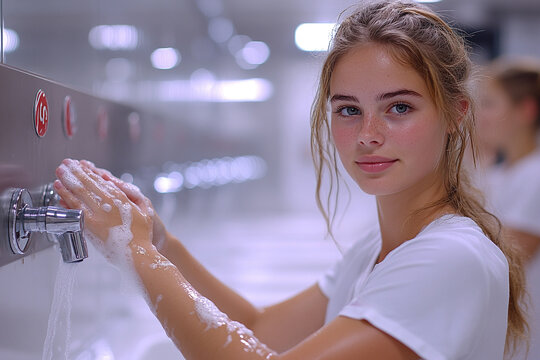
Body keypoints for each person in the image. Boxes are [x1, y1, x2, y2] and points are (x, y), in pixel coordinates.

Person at [54, 1, 528, 359]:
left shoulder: (450, 256)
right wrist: (161, 242)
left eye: (398, 107)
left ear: (454, 114)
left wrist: (133, 252)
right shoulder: (379, 249)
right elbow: (260, 327)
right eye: (348, 110)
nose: (367, 135)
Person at [476, 58, 540, 359]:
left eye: (489, 104)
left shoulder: (535, 176)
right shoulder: (499, 175)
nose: (480, 115)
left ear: (525, 111)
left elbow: (505, 261)